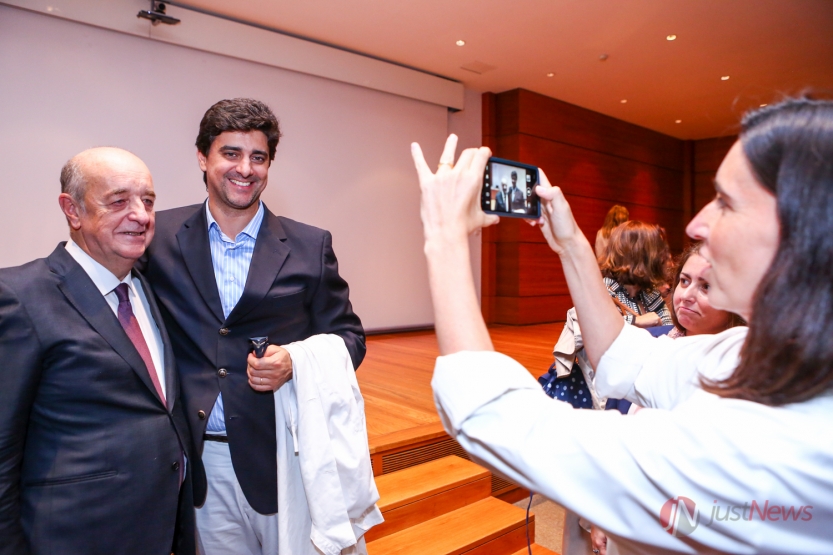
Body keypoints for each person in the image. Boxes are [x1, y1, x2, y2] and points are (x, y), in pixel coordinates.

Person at [413, 96, 833, 553]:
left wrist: (444, 237)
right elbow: (629, 356)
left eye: (726, 203)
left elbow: (501, 420)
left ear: (804, 237)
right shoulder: (755, 351)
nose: (696, 225)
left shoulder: (773, 450)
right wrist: (572, 245)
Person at [139, 98, 366, 555]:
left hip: (286, 456)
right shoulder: (157, 237)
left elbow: (351, 339)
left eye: (258, 157)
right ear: (202, 157)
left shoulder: (310, 245)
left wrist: (295, 361)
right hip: (202, 460)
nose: (245, 169)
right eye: (231, 153)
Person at [0, 147, 194, 555]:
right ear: (72, 210)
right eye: (119, 201)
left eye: (148, 201)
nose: (141, 215)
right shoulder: (20, 296)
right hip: (71, 536)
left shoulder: (146, 288)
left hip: (157, 530)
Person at [598, 221, 673, 328]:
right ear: (639, 256)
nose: (662, 257)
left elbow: (668, 327)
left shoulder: (649, 291)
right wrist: (635, 321)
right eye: (657, 251)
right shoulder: (604, 291)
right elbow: (597, 326)